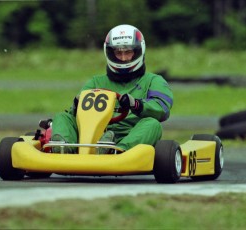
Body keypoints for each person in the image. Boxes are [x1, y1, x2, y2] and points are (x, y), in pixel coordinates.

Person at [51, 24, 173, 153]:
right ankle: (63, 148)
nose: (123, 58)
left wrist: (136, 104)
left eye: (128, 52)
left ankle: (119, 150)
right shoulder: (96, 82)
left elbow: (162, 108)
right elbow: (73, 115)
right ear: (110, 53)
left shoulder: (153, 80)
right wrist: (77, 105)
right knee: (62, 117)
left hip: (132, 132)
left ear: (138, 51)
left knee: (153, 124)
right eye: (118, 53)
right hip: (94, 134)